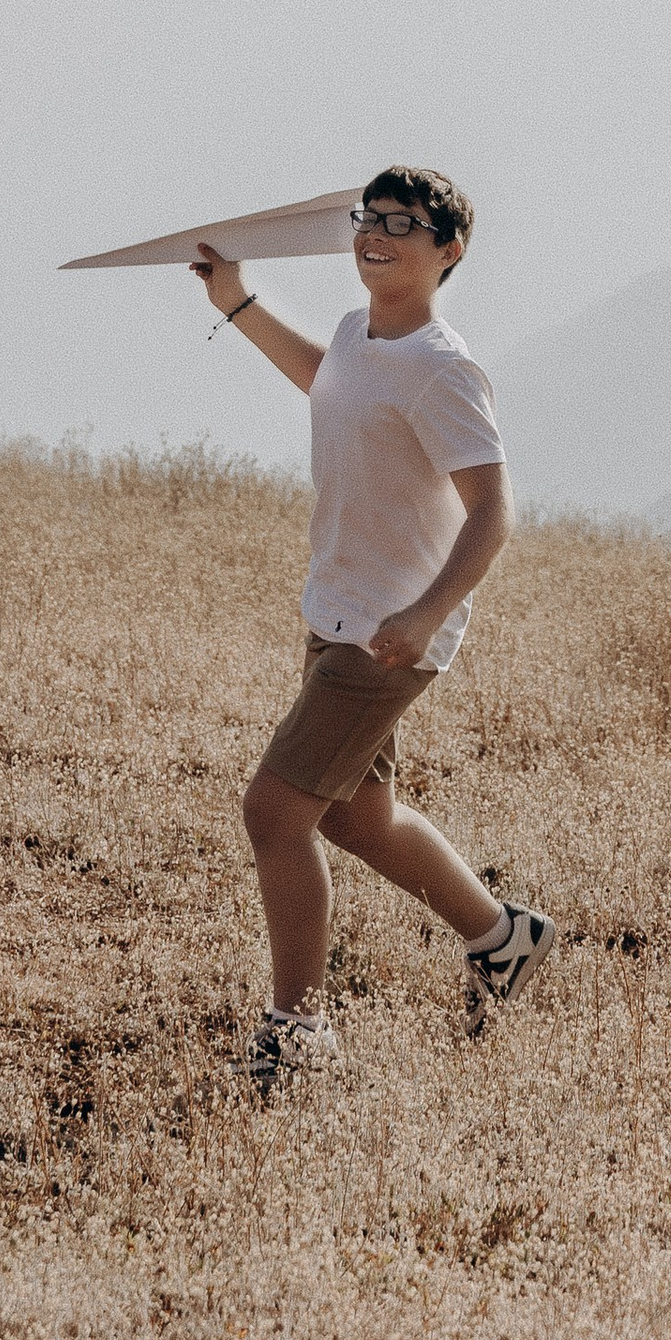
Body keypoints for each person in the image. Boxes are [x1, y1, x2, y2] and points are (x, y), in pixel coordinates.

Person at [192, 170, 555, 1091]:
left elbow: (493, 511)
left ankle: (297, 1032)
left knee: (275, 813)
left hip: (387, 636)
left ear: (448, 251)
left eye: (406, 224)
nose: (379, 235)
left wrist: (426, 612)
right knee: (358, 816)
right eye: (371, 219)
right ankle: (503, 939)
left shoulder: (443, 369)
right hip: (338, 612)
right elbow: (330, 381)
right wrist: (237, 302)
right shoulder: (361, 334)